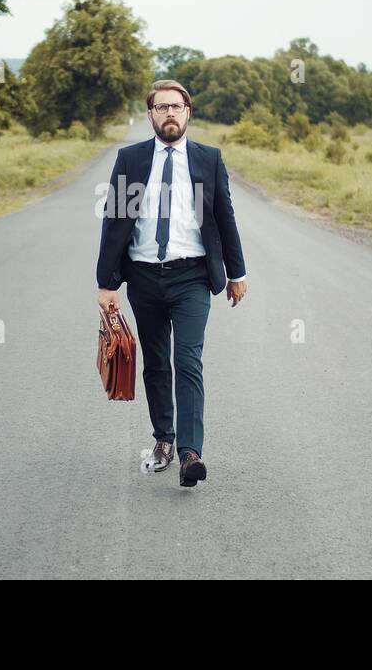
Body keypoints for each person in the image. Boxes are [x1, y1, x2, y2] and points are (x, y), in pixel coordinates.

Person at [95, 79, 248, 487]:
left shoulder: (207, 159)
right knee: (157, 365)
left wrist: (237, 272)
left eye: (176, 107)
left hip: (192, 276)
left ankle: (190, 453)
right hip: (144, 277)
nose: (169, 114)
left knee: (188, 361)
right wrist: (106, 282)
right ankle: (164, 439)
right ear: (150, 115)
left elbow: (224, 218)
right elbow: (114, 220)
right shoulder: (131, 159)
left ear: (188, 112)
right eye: (161, 107)